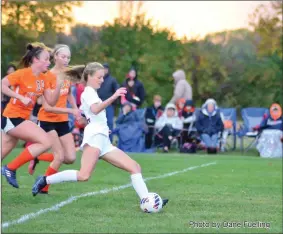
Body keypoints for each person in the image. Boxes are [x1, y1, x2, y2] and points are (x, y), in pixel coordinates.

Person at [32, 62, 169, 209]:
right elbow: (96, 109)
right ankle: (45, 180)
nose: (102, 80)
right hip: (95, 138)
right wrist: (113, 97)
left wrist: (100, 126)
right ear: (89, 76)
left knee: (135, 167)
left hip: (103, 138)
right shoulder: (88, 92)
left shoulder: (92, 93)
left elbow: (88, 117)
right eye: (99, 77)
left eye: (103, 77)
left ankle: (146, 201)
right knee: (84, 175)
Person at [1, 42, 63, 188]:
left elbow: (51, 102)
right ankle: (10, 168)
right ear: (36, 60)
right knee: (46, 141)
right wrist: (22, 98)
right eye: (46, 59)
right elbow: (2, 84)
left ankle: (9, 168)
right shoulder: (22, 74)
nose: (49, 62)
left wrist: (59, 85)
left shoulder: (44, 78)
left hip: (21, 119)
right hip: (12, 117)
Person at [27, 44, 81, 194]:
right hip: (47, 120)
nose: (66, 60)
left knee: (70, 158)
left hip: (62, 120)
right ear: (55, 56)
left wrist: (75, 108)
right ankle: (44, 186)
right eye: (63, 56)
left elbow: (69, 93)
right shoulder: (46, 76)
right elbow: (48, 107)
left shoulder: (68, 74)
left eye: (68, 57)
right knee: (59, 156)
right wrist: (70, 110)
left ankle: (38, 157)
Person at [97, 63, 119, 142]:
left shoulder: (112, 80)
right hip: (99, 105)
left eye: (106, 68)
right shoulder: (98, 78)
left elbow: (117, 92)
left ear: (108, 70)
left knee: (109, 123)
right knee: (99, 123)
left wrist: (114, 103)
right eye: (103, 68)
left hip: (109, 105)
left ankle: (109, 141)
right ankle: (100, 141)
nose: (105, 70)